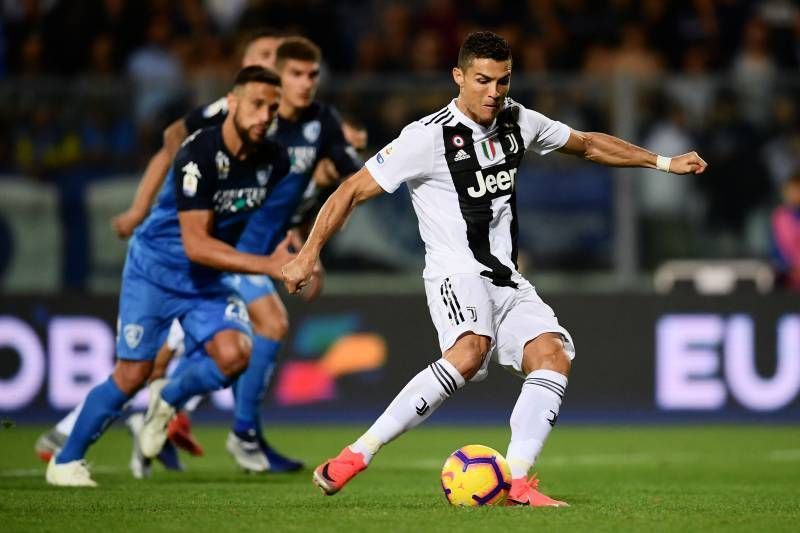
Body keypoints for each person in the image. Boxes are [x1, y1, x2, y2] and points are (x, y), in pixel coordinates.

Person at [282, 31, 707, 506]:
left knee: (553, 356)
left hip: (506, 277)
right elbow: (349, 191)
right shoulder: (425, 138)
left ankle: (518, 482)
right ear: (458, 77)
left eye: (503, 81)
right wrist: (308, 253)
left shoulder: (517, 120)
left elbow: (586, 145)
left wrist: (666, 163)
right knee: (469, 352)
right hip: (454, 272)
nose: (493, 92)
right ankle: (357, 454)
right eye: (482, 80)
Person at [46, 66, 293, 487]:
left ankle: (168, 399)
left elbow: (241, 222)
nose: (264, 115)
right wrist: (268, 265)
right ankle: (65, 461)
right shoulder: (198, 153)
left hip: (207, 278)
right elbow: (196, 242)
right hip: (155, 271)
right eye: (255, 104)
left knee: (235, 355)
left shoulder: (275, 161)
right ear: (231, 103)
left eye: (272, 107)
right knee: (132, 375)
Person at [143, 36, 362, 472]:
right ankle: (223, 427)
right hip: (225, 248)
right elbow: (177, 135)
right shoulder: (251, 117)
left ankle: (171, 408)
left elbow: (354, 181)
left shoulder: (324, 122)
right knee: (264, 325)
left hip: (266, 251)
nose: (305, 84)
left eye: (312, 75)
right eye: (295, 75)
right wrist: (179, 203)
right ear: (277, 79)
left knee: (221, 346)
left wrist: (308, 241)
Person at [770, 171, 800, 291]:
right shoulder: (781, 216)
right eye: (792, 190)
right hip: (788, 280)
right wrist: (792, 268)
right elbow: (779, 250)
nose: (795, 194)